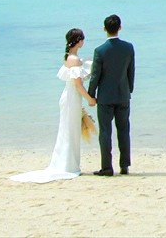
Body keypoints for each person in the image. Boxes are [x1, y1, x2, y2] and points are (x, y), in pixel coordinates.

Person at [10, 28, 97, 183]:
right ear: (79, 41)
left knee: (68, 130)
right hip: (72, 98)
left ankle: (68, 164)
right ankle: (68, 165)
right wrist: (90, 99)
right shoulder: (74, 60)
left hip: (70, 97)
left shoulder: (70, 58)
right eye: (82, 39)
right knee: (69, 130)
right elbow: (78, 84)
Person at [88, 14, 135, 176]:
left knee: (105, 132)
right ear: (120, 28)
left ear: (104, 29)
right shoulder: (129, 47)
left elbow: (95, 76)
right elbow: (131, 71)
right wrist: (129, 89)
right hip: (123, 95)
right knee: (124, 130)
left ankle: (107, 167)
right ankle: (125, 165)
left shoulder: (100, 51)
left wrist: (91, 94)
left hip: (105, 97)